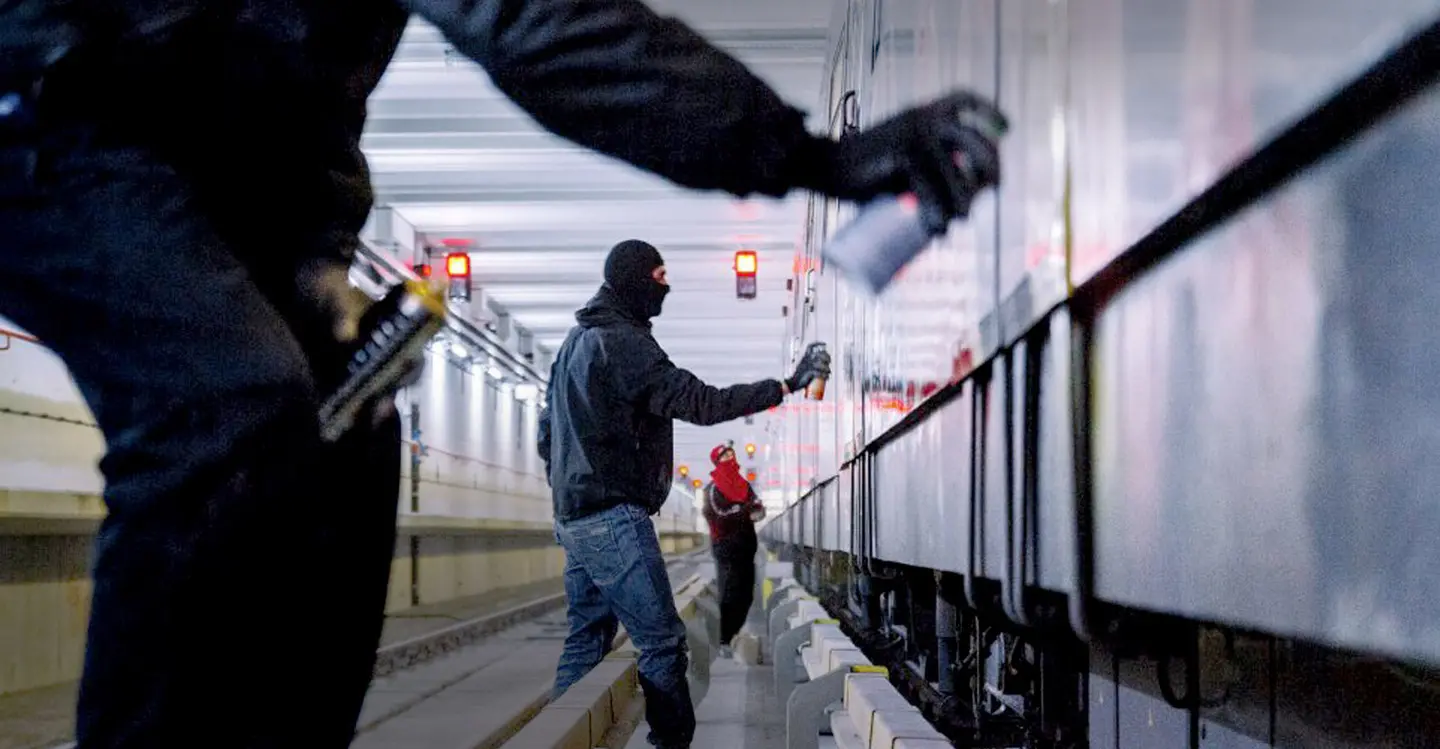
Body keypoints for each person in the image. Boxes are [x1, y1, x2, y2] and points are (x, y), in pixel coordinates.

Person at [0, 2, 1005, 747]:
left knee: (350, 433)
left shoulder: (596, 340)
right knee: (228, 404)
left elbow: (551, 21)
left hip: (250, 187)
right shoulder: (618, 343)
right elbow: (549, 34)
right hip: (55, 114)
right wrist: (812, 159)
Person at [536, 238, 830, 749]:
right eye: (659, 276)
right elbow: (699, 402)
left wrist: (570, 488)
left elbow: (546, 435)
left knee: (587, 640)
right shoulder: (621, 341)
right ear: (633, 279)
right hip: (611, 515)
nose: (666, 286)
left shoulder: (573, 344)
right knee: (664, 644)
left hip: (575, 515)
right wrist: (784, 386)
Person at [701, 443, 766, 658]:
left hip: (746, 546)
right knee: (729, 593)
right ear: (716, 461)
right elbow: (718, 514)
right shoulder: (712, 489)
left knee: (746, 595)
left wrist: (752, 510)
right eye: (724, 455)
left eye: (730, 453)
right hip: (726, 548)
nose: (729, 457)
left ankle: (733, 634)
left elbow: (755, 506)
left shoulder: (743, 485)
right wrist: (745, 511)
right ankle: (724, 639)